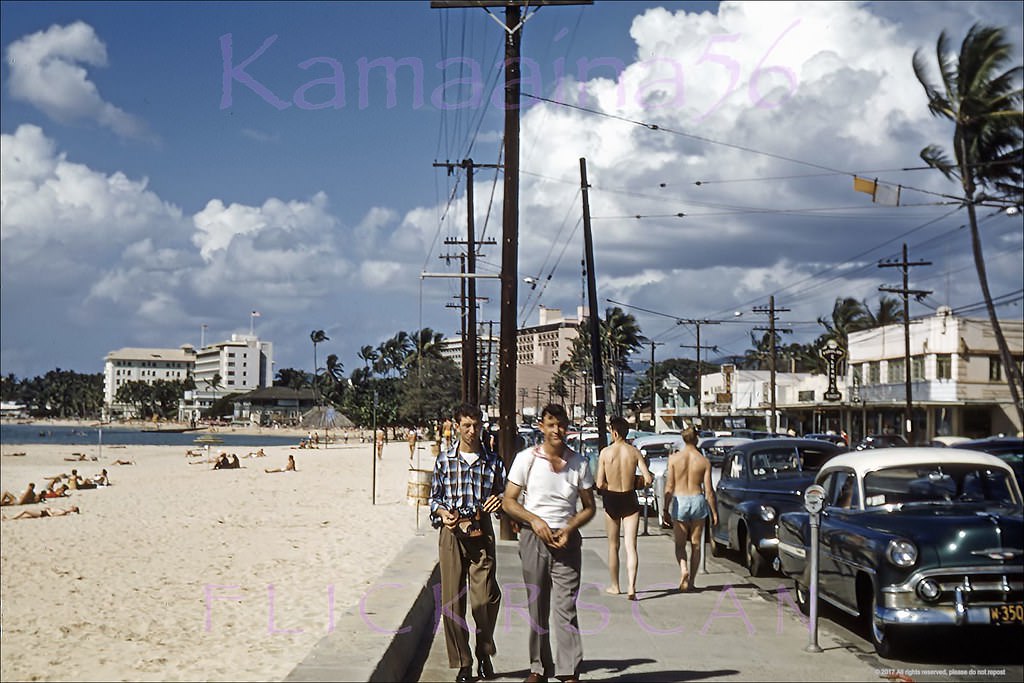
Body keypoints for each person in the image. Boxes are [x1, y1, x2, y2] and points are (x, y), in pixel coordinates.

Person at [502, 404, 596, 683]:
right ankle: (538, 667)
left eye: (562, 425)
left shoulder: (579, 463)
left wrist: (570, 528)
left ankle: (569, 670)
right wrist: (534, 520)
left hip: (566, 540)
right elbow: (509, 501)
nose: (557, 430)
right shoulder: (526, 459)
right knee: (537, 603)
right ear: (541, 427)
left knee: (566, 605)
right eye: (551, 424)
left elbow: (589, 507)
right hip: (534, 537)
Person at [430, 403, 506, 683]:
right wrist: (442, 513)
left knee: (485, 598)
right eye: (467, 426)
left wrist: (499, 501)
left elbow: (505, 499)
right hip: (451, 533)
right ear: (457, 426)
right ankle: (463, 662)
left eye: (477, 426)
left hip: (481, 532)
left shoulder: (494, 461)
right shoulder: (444, 460)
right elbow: (434, 498)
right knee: (452, 602)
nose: (472, 431)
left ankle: (484, 648)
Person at [595, 416, 654, 600]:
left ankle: (615, 585)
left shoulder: (605, 453)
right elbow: (649, 479)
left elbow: (599, 483)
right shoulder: (634, 452)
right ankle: (631, 587)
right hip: (629, 497)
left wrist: (609, 486)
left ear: (614, 432)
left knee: (613, 546)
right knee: (631, 546)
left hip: (612, 498)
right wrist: (636, 483)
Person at [662, 427, 718, 592]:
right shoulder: (703, 461)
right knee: (696, 544)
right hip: (697, 500)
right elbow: (709, 491)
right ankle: (691, 581)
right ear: (697, 439)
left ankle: (683, 569)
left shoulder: (674, 459)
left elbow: (670, 485)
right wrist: (714, 512)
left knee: (680, 544)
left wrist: (665, 508)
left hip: (680, 500)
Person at [5, 505, 80, 520]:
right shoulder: (63, 510)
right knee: (24, 516)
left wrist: (48, 510)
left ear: (73, 510)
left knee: (25, 511)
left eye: (72, 507)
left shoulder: (63, 512)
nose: (71, 506)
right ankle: (9, 518)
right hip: (43, 512)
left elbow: (52, 516)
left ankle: (9, 518)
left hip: (43, 513)